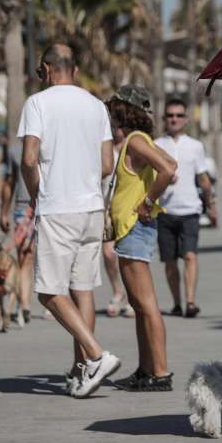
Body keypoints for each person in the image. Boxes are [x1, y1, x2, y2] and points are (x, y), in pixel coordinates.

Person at [18, 43, 121, 398]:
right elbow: (107, 165)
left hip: (57, 207)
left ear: (46, 69)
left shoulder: (38, 103)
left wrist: (35, 194)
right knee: (82, 288)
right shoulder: (95, 105)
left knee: (49, 291)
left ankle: (96, 355)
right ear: (74, 70)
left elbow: (29, 159)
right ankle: (83, 371)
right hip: (91, 207)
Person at [106, 85, 177, 392]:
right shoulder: (141, 140)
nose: (109, 114)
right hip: (131, 229)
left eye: (113, 108)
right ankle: (146, 369)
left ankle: (159, 373)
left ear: (124, 111)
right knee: (138, 304)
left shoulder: (135, 140)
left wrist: (147, 201)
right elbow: (169, 164)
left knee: (146, 304)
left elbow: (169, 168)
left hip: (134, 227)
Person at [154, 98, 216, 318]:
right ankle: (176, 302)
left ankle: (190, 301)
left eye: (179, 115)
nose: (174, 119)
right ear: (164, 118)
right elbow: (148, 177)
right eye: (170, 115)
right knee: (170, 261)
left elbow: (203, 178)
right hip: (164, 211)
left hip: (190, 209)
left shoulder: (195, 146)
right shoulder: (156, 145)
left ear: (186, 119)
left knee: (190, 256)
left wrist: (212, 206)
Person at [0, 139, 35, 325]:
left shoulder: (51, 144)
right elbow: (9, 182)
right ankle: (25, 305)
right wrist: (4, 212)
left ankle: (30, 303)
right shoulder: (15, 150)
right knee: (25, 258)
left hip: (48, 207)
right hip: (23, 208)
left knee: (35, 257)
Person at [102, 136, 135, 318]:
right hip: (106, 208)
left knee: (128, 254)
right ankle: (117, 291)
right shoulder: (101, 144)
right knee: (108, 253)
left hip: (127, 207)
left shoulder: (133, 143)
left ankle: (132, 296)